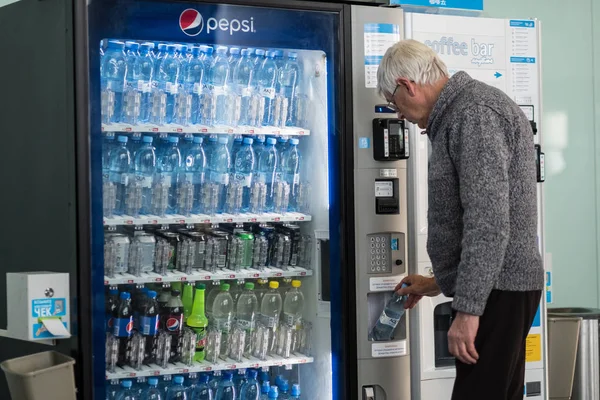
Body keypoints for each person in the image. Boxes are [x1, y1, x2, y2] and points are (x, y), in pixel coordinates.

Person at [377, 39, 545, 400]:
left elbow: (488, 222)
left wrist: (468, 311)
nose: (399, 115)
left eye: (394, 104)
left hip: (498, 292)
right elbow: (470, 218)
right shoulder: (460, 114)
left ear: (408, 85)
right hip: (496, 288)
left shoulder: (474, 114)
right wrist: (438, 282)